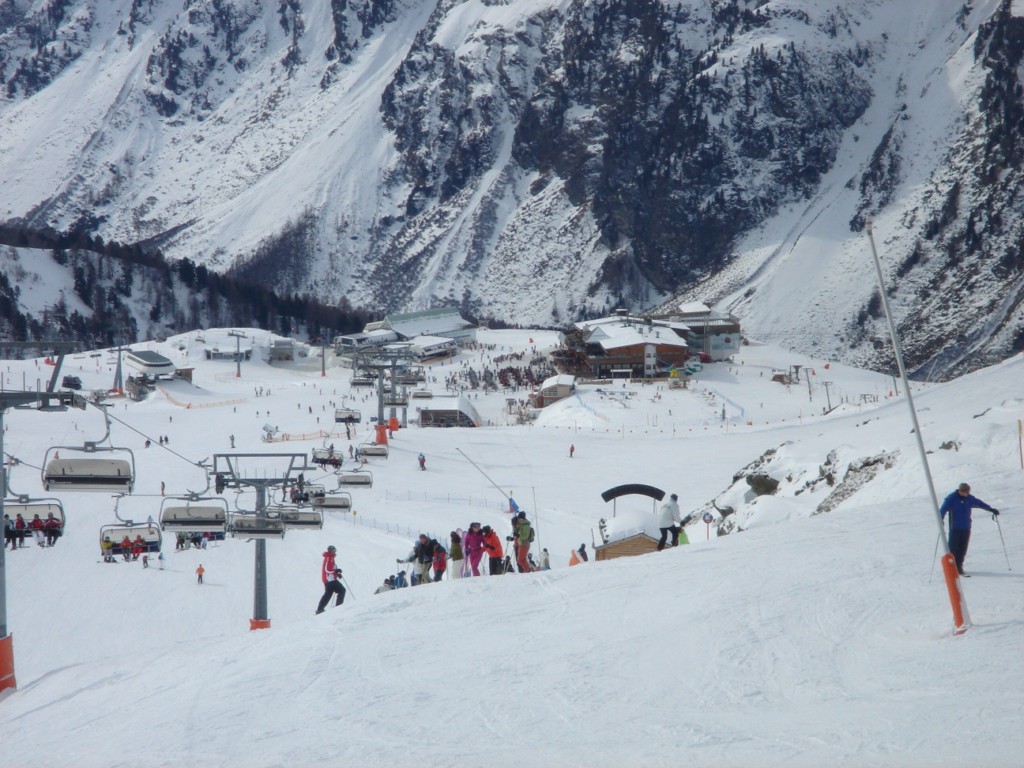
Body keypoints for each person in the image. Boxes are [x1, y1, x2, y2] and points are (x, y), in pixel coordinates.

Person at [939, 482, 999, 576]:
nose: (965, 494)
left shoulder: (969, 498)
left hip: (966, 527)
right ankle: (951, 566)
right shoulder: (951, 498)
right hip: (955, 527)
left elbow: (979, 503)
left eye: (967, 492)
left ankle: (959, 566)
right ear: (960, 490)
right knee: (953, 547)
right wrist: (941, 518)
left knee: (963, 548)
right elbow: (943, 509)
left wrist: (991, 509)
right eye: (964, 492)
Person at [316, 545, 345, 612]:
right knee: (342, 590)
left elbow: (331, 569)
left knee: (328, 594)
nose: (335, 552)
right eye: (334, 550)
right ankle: (338, 607)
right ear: (330, 550)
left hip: (328, 580)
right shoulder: (329, 557)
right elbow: (327, 570)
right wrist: (335, 571)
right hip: (330, 580)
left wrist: (337, 573)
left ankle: (320, 609)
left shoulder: (330, 557)